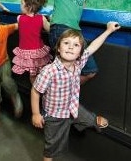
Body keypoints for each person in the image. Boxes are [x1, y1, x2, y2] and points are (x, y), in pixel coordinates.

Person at [31, 21, 120, 161]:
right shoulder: (49, 71)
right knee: (51, 147)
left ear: (80, 52)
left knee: (88, 118)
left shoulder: (78, 64)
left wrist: (108, 31)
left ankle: (91, 120)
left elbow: (93, 47)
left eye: (76, 45)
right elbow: (35, 91)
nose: (71, 47)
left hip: (72, 107)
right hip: (55, 116)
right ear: (58, 48)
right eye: (66, 43)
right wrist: (36, 114)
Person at [12, 0, 52, 84]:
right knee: (39, 73)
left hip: (26, 52)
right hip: (38, 51)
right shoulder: (42, 18)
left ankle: (36, 92)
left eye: (21, 3)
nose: (20, 5)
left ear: (29, 6)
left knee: (32, 76)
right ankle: (40, 90)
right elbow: (50, 30)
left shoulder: (19, 18)